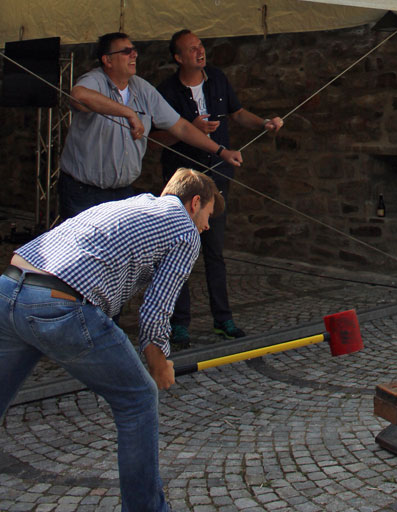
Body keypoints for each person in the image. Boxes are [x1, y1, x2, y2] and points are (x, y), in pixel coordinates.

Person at [0, 167, 224, 512]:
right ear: (195, 203)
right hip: (60, 303)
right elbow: (157, 308)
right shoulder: (184, 228)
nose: (207, 226)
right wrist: (159, 363)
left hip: (9, 287)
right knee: (139, 398)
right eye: (208, 215)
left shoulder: (133, 204)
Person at [156, 29, 283, 347]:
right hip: (182, 180)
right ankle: (179, 323)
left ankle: (223, 319)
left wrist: (263, 123)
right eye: (192, 49)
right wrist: (189, 129)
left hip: (217, 176)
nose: (200, 52)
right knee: (180, 250)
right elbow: (155, 138)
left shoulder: (217, 78)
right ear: (178, 58)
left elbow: (237, 113)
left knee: (214, 250)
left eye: (200, 46)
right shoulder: (166, 90)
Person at [59, 31, 243, 219]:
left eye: (134, 50)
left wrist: (221, 151)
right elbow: (78, 95)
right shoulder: (95, 80)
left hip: (122, 192)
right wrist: (128, 112)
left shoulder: (143, 88)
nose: (134, 55)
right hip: (83, 192)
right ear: (108, 60)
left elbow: (181, 127)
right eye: (126, 51)